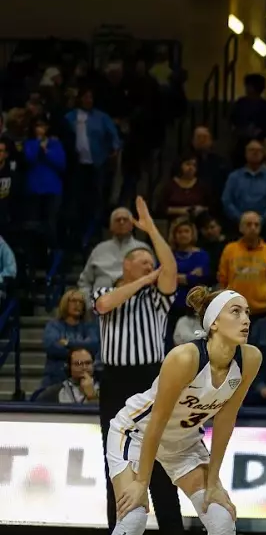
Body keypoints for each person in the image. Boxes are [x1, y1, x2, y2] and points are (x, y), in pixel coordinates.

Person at [105, 284, 262, 535]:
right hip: (136, 433)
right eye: (236, 311)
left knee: (221, 518)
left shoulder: (250, 359)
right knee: (133, 518)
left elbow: (226, 419)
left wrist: (213, 481)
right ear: (214, 323)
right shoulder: (185, 358)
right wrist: (142, 483)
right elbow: (156, 421)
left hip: (183, 441)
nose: (245, 319)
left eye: (247, 313)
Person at [94, 198, 184, 534]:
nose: (151, 266)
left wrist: (152, 230)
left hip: (151, 381)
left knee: (159, 461)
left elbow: (170, 269)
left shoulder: (157, 299)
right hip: (115, 382)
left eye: (151, 263)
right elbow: (105, 304)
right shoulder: (105, 290)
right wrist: (145, 280)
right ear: (126, 265)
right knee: (117, 462)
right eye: (144, 262)